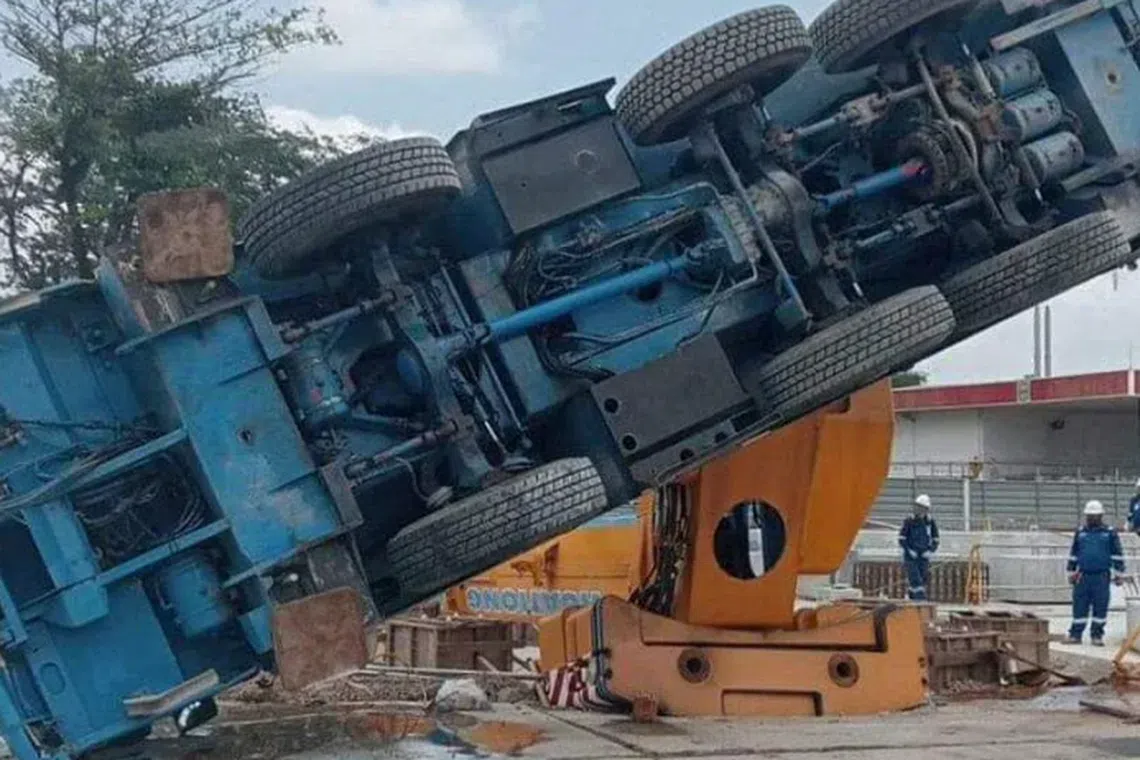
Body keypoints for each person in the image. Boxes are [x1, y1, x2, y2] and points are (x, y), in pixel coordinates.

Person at [1066, 500, 1126, 646]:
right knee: (1079, 605)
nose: (1092, 518)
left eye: (1095, 515)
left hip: (1101, 576)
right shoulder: (1080, 533)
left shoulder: (1109, 533)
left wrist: (1119, 574)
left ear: (1101, 516)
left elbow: (1117, 554)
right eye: (1089, 516)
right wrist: (1071, 572)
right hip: (1083, 575)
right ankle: (1075, 635)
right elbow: (1074, 553)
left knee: (1100, 606)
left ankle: (1097, 635)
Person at [898, 494, 940, 601]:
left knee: (922, 579)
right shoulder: (909, 521)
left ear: (926, 509)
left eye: (921, 508)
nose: (919, 510)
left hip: (924, 556)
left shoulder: (930, 522)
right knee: (915, 579)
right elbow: (902, 538)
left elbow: (936, 539)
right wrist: (909, 550)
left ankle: (911, 598)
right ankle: (920, 601)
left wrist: (931, 551)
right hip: (911, 556)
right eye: (918, 507)